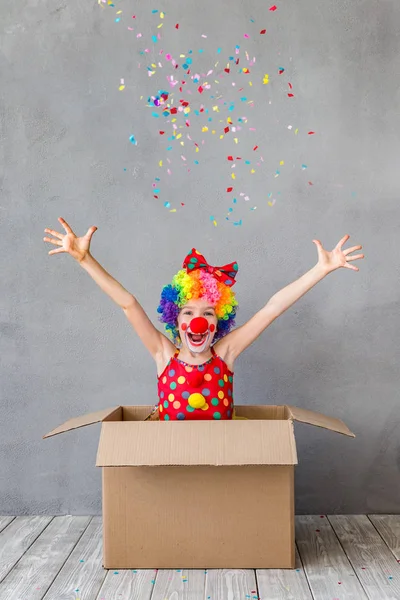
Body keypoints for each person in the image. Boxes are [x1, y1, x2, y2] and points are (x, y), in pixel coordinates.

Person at [43, 217, 364, 421]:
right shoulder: (163, 354)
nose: (198, 322)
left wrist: (320, 270)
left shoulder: (226, 353)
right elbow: (128, 304)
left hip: (221, 462)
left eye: (208, 313)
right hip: (173, 462)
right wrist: (85, 261)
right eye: (189, 313)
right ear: (175, 319)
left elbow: (272, 308)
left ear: (219, 321)